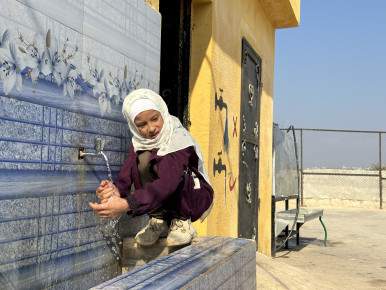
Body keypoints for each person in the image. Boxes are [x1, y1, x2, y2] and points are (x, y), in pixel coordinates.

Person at [89, 88, 214, 247]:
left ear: (163, 112)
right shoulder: (139, 143)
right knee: (143, 161)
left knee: (174, 171)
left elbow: (167, 184)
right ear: (134, 126)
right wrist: (115, 190)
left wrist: (127, 204)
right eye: (142, 124)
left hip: (194, 195)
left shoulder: (178, 139)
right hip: (165, 195)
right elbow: (127, 174)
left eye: (155, 119)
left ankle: (182, 222)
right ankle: (158, 221)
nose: (151, 128)